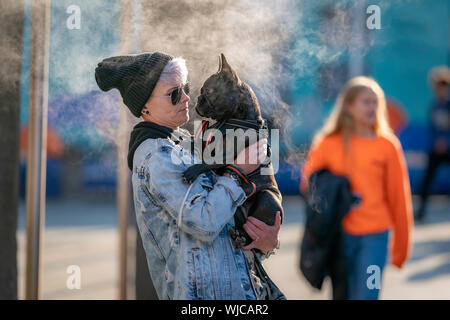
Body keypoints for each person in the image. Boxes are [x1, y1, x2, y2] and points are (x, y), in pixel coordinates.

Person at [94, 52, 282, 300]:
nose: (185, 98)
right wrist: (238, 172)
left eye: (185, 88)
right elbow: (204, 222)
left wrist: (266, 241)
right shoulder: (156, 155)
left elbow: (232, 221)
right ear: (145, 107)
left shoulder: (187, 143)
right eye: (174, 93)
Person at [300, 76, 414, 300]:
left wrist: (402, 246)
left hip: (375, 237)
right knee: (343, 296)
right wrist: (336, 192)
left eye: (375, 102)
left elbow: (399, 197)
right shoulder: (327, 143)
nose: (372, 107)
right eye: (366, 102)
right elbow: (308, 186)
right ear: (349, 106)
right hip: (339, 237)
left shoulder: (387, 145)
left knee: (368, 294)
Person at [415, 66, 450, 221]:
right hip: (435, 149)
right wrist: (436, 143)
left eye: (442, 87)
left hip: (448, 148)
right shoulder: (434, 106)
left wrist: (446, 141)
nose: (439, 91)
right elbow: (433, 129)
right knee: (427, 179)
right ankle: (421, 212)